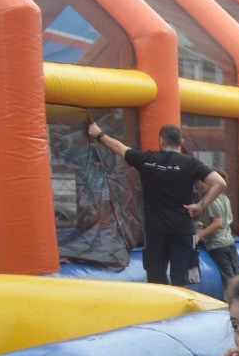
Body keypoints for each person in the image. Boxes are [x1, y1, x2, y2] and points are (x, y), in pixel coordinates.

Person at [87, 121, 225, 287]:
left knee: (156, 278)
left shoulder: (147, 160)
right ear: (181, 142)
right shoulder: (191, 163)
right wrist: (200, 205)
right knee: (179, 278)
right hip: (181, 229)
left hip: (155, 231)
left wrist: (99, 134)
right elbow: (219, 183)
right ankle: (181, 310)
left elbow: (118, 147)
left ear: (161, 141)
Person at [197, 190, 239, 281]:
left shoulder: (211, 201)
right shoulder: (224, 198)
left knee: (228, 278)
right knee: (238, 273)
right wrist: (205, 226)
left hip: (217, 244)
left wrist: (199, 235)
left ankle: (232, 294)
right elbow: (223, 221)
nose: (201, 185)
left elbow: (217, 223)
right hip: (229, 240)